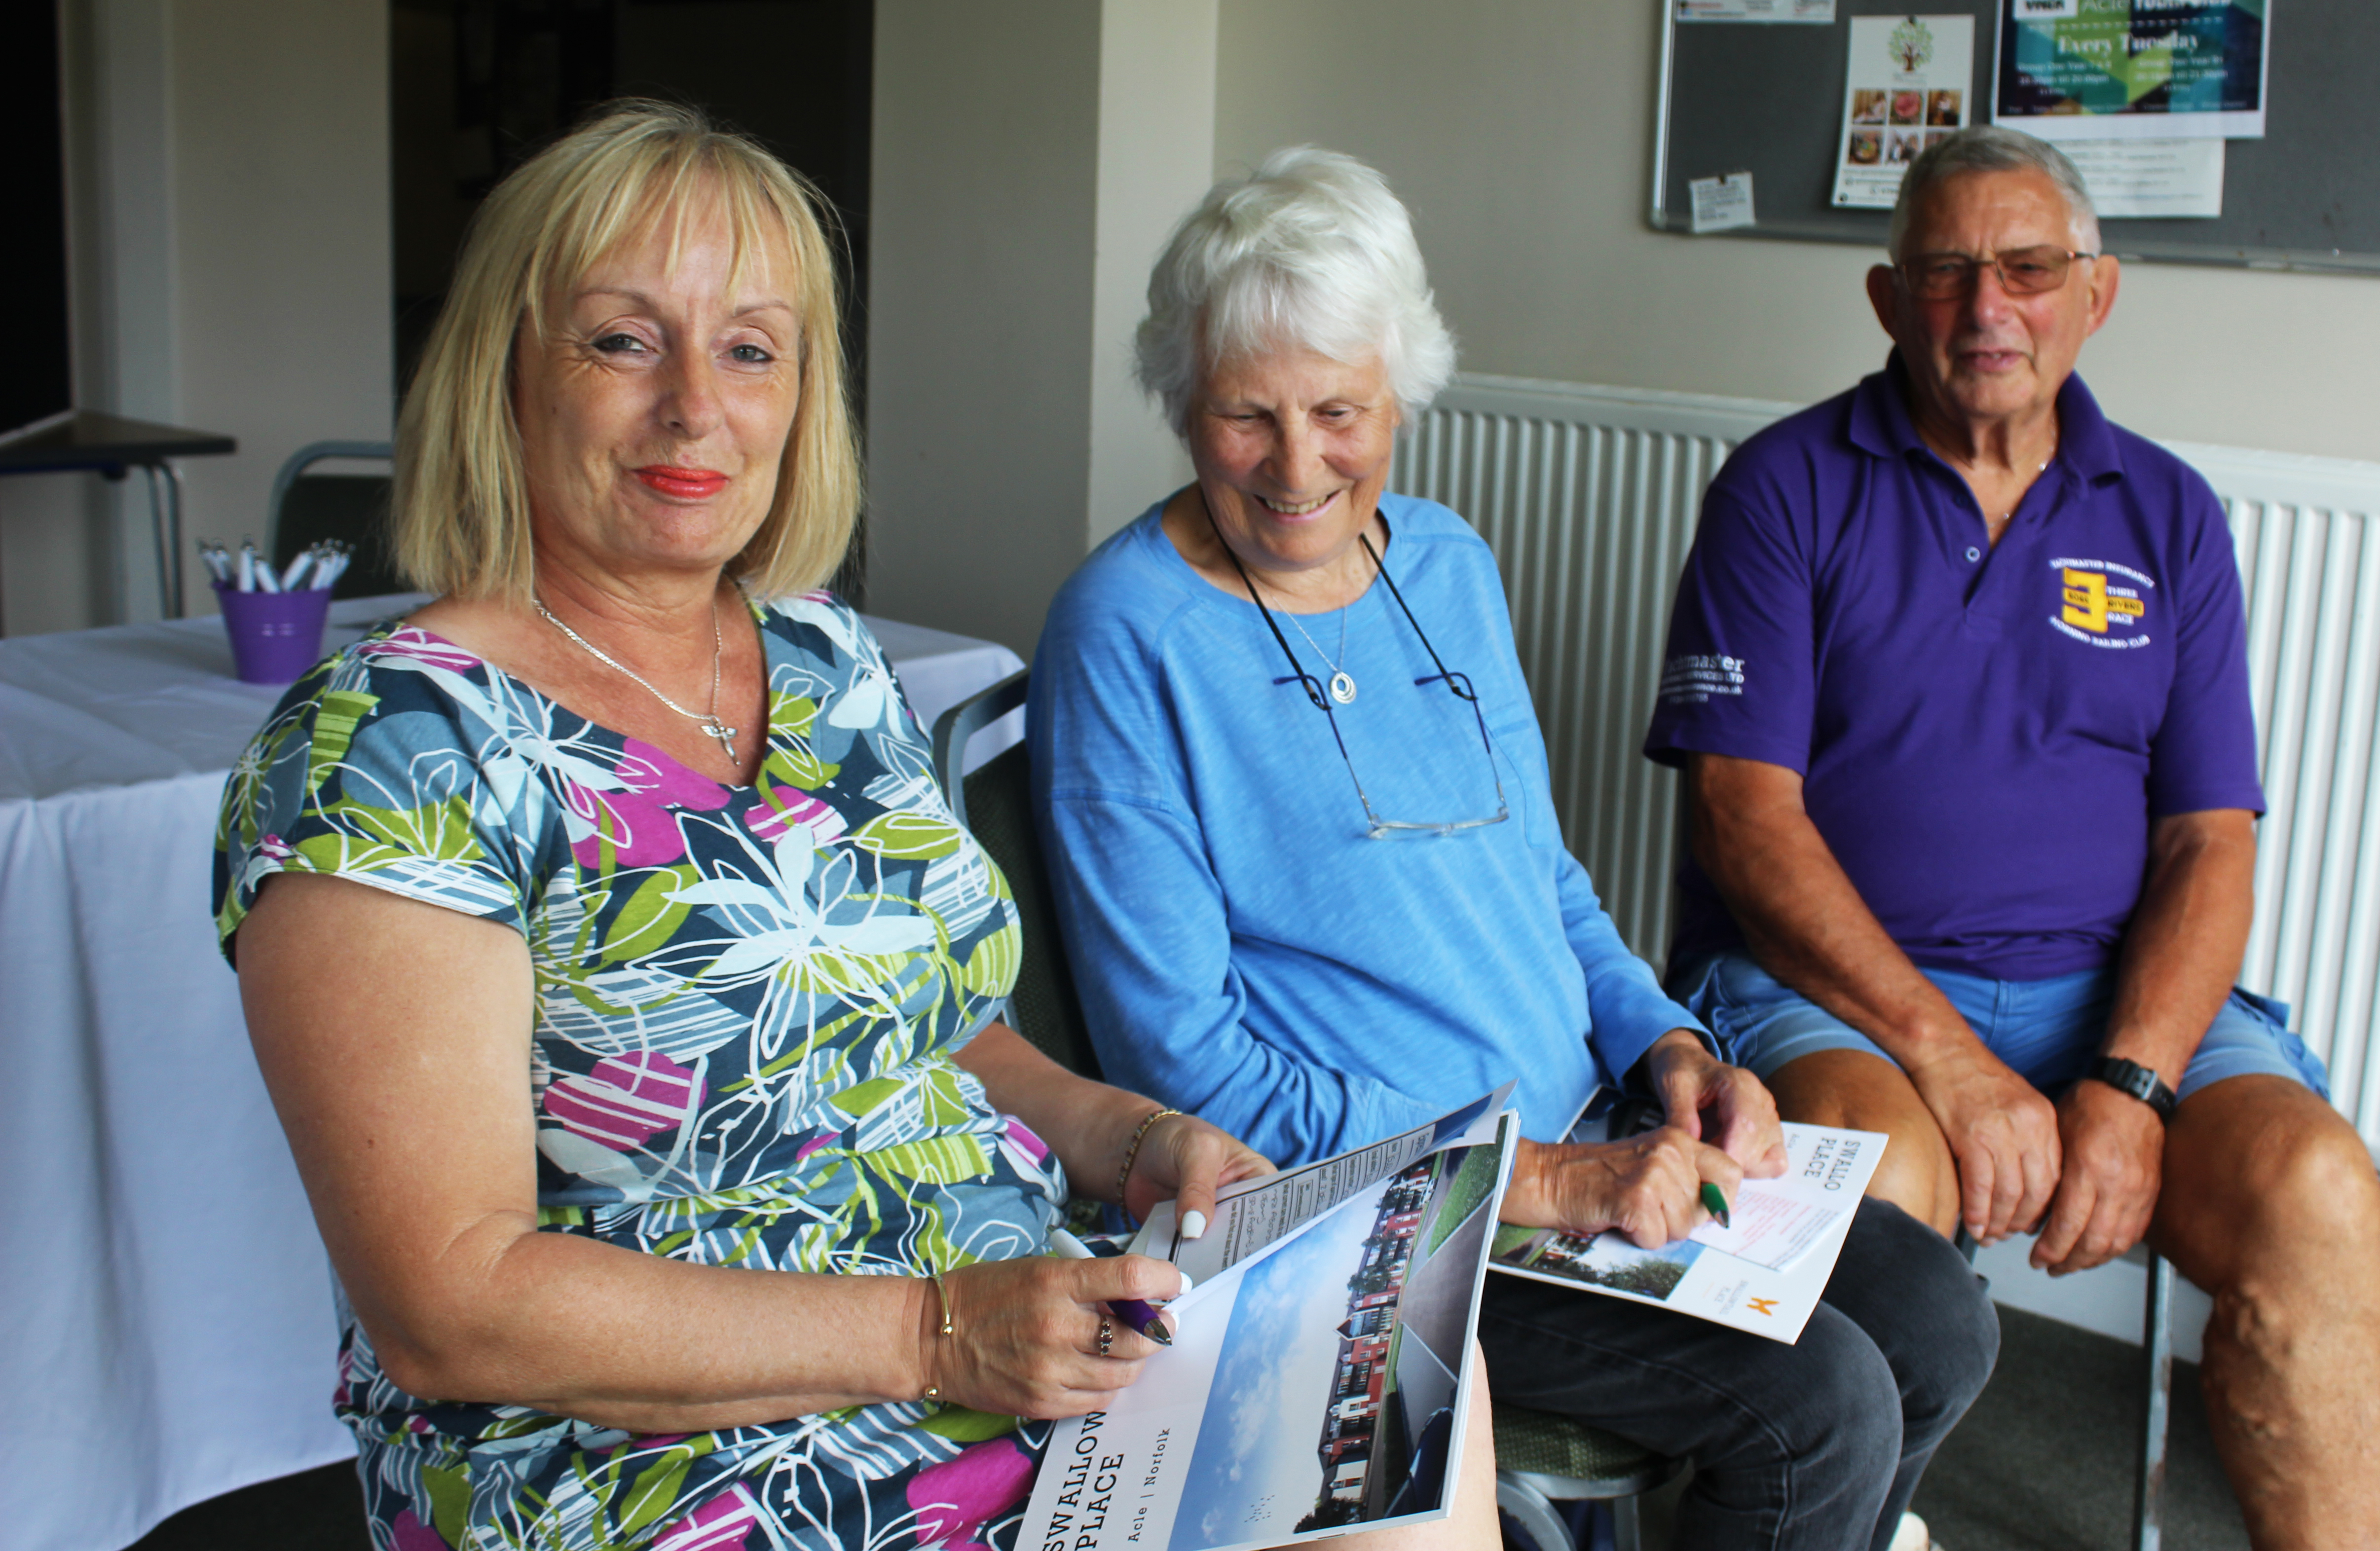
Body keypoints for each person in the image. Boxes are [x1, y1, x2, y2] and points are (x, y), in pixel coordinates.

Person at [214, 103, 1499, 1551]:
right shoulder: (391, 745)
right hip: (672, 1457)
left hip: (1002, 1344)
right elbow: (451, 1307)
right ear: (505, 375)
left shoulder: (822, 659)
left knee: (1398, 1386)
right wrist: (935, 1336)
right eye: (624, 340)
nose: (696, 405)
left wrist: (1130, 1138)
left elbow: (945, 1032)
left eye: (751, 349)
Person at [1031, 145, 1998, 1551]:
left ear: (1402, 392)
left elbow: (1542, 882)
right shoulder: (1124, 635)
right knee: (1824, 1408)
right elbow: (1184, 1060)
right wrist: (1528, 1176)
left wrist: (1671, 1050)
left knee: (1942, 1320)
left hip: (1590, 1137)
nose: (1299, 467)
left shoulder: (1446, 564)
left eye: (1340, 411)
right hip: (1376, 1213)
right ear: (1183, 400)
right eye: (1247, 415)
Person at [1647, 125, 2380, 1548]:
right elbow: (1746, 822)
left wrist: (2133, 1086)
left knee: (2325, 1196)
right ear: (1887, 298)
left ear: (2095, 294)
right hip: (1841, 999)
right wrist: (1956, 1067)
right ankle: (1846, 1526)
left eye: (2030, 268)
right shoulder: (1782, 490)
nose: (1989, 308)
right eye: (1948, 272)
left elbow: (2208, 842)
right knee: (1885, 1191)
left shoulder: (2167, 512)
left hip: (2109, 996)